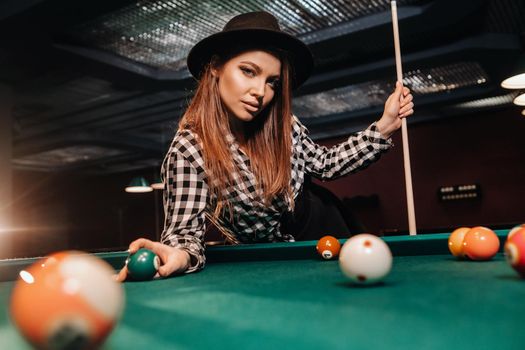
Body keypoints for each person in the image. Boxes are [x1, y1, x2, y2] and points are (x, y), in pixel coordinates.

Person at [116, 11, 414, 281]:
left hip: (327, 227)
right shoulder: (189, 151)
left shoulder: (284, 127)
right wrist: (178, 255)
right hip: (270, 260)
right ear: (216, 67)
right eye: (248, 71)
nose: (260, 91)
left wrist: (384, 125)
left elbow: (326, 164)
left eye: (272, 82)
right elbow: (184, 236)